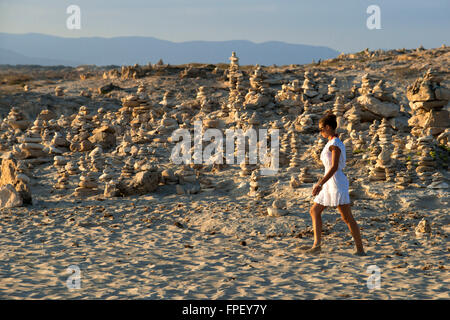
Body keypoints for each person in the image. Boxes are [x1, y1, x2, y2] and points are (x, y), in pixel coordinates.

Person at [304, 112, 366, 256]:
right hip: (329, 183)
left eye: (321, 129)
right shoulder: (331, 142)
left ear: (327, 127)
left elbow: (334, 167)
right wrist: (322, 184)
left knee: (347, 217)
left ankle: (360, 250)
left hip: (336, 182)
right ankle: (317, 245)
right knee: (314, 211)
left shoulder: (335, 144)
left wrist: (319, 183)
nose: (320, 132)